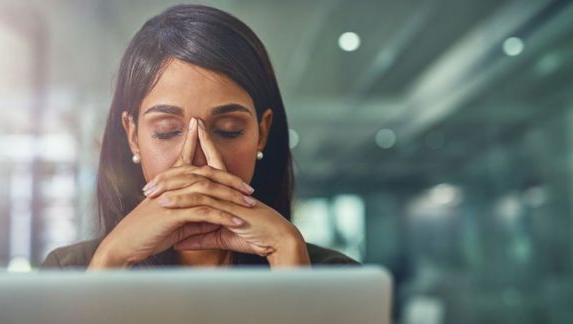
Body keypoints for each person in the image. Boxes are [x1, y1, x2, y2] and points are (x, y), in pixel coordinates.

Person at [42, 4, 357, 269]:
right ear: (134, 136)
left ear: (261, 134)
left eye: (228, 130)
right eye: (167, 131)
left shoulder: (332, 274)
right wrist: (112, 259)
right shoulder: (72, 269)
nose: (198, 159)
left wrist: (287, 253)